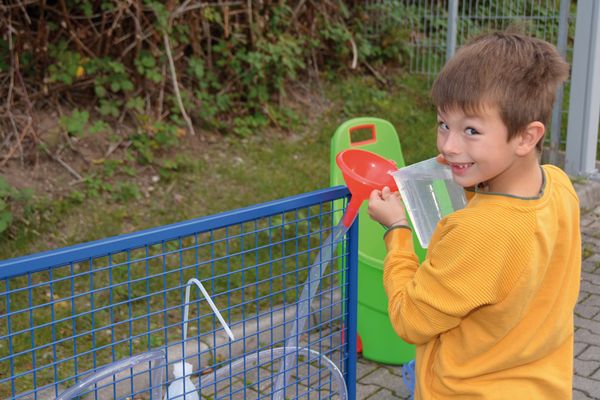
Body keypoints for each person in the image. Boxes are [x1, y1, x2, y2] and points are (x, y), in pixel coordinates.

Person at [367, 31, 581, 399]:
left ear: (526, 137)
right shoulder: (560, 188)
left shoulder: (478, 233)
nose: (449, 146)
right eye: (443, 124)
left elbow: (410, 320)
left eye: (471, 130)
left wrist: (397, 230)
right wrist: (468, 177)